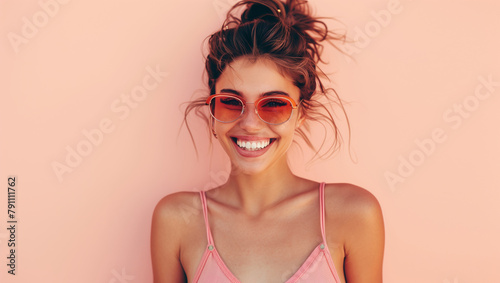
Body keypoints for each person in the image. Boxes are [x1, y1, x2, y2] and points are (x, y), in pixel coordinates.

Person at [151, 0, 384, 282]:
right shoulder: (176, 220)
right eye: (230, 102)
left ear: (301, 115)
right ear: (212, 112)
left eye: (274, 104)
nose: (249, 123)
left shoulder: (354, 213)